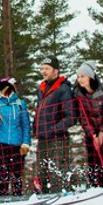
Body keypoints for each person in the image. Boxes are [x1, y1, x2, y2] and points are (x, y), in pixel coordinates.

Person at [33, 57, 76, 193]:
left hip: (57, 138)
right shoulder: (42, 88)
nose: (43, 71)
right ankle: (44, 195)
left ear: (55, 71)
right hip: (42, 137)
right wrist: (36, 128)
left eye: (47, 69)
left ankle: (61, 194)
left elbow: (71, 117)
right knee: (42, 171)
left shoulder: (63, 89)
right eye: (42, 68)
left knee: (57, 170)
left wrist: (54, 129)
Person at [73, 62, 103, 188]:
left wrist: (102, 133)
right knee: (92, 156)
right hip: (91, 129)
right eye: (78, 77)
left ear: (90, 77)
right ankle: (94, 182)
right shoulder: (79, 94)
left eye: (83, 76)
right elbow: (82, 116)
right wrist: (92, 134)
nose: (80, 80)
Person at [0, 78, 31, 197]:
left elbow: (26, 125)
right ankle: (3, 198)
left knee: (17, 175)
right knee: (3, 174)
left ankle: (18, 196)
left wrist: (26, 143)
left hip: (17, 144)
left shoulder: (20, 104)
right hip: (1, 144)